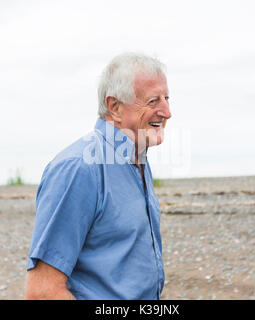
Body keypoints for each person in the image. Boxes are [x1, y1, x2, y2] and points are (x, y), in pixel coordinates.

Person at [25, 52, 172, 300]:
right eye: (153, 101)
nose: (167, 112)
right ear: (115, 107)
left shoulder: (137, 160)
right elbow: (43, 292)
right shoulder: (80, 169)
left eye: (167, 99)